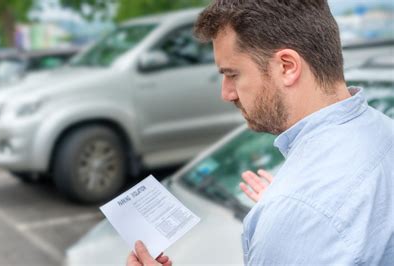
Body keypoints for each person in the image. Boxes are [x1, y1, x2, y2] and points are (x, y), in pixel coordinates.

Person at [127, 0, 393, 265]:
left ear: (286, 66)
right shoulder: (382, 129)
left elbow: (314, 214)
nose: (226, 93)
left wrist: (287, 214)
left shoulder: (298, 212)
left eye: (232, 74)